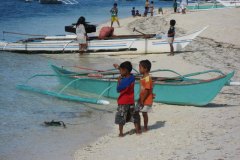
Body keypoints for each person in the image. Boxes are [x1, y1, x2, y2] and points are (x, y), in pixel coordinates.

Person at [113, 61, 141, 137]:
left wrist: (118, 81)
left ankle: (121, 133)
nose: (120, 72)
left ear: (125, 70)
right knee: (134, 116)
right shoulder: (132, 77)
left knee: (121, 118)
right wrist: (119, 67)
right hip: (131, 101)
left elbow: (118, 89)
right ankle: (138, 130)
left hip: (123, 102)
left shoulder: (124, 81)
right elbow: (126, 73)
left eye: (121, 70)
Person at [138, 60, 153, 132]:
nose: (139, 69)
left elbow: (147, 90)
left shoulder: (147, 78)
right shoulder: (143, 77)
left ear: (146, 69)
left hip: (146, 99)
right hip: (142, 98)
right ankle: (142, 126)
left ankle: (145, 127)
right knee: (141, 112)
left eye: (140, 67)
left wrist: (142, 100)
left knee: (144, 113)